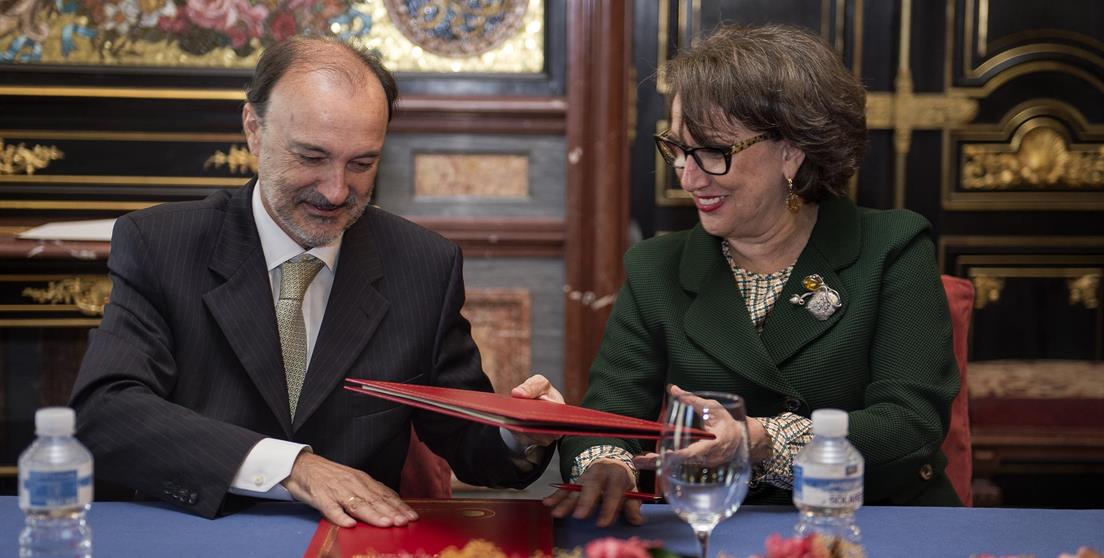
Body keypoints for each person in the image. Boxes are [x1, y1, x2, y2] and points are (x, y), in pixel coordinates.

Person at [69, 37, 562, 528]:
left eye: (362, 164)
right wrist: (290, 467)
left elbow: (470, 442)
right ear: (254, 130)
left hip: (350, 541)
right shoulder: (162, 245)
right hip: (199, 533)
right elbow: (104, 412)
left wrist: (521, 433)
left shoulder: (422, 265)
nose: (336, 190)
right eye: (311, 157)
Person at [548, 23, 961, 527]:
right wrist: (608, 464)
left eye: (713, 152)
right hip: (716, 526)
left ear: (793, 150)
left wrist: (764, 439)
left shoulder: (892, 247)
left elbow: (910, 421)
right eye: (677, 149)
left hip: (875, 521)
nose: (688, 177)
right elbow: (608, 415)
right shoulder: (656, 268)